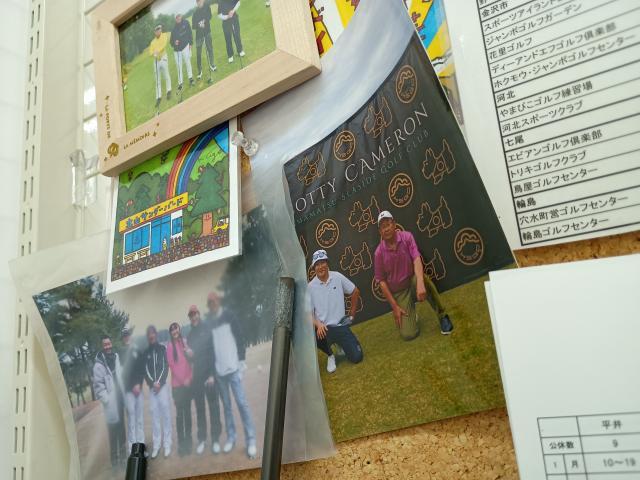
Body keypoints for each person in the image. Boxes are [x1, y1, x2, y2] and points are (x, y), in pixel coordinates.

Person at [374, 210, 454, 340]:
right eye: (383, 227)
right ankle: (411, 313)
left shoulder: (407, 237)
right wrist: (395, 306)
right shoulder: (378, 253)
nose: (386, 229)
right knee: (409, 335)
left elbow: (416, 259)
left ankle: (442, 315)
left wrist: (420, 283)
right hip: (400, 293)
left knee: (422, 279)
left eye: (388, 224)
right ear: (380, 231)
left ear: (394, 224)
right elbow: (381, 281)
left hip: (413, 281)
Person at [207, 292, 257, 459]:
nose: (212, 304)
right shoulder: (210, 322)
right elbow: (210, 349)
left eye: (214, 301)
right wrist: (212, 372)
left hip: (234, 368)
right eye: (210, 302)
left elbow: (240, 338)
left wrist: (241, 362)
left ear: (218, 301)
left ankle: (251, 440)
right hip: (219, 372)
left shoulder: (230, 316)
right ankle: (231, 437)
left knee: (242, 404)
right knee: (227, 407)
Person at [308, 250, 364, 373]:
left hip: (340, 326)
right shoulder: (310, 287)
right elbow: (308, 314)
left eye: (322, 263)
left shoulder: (337, 277)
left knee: (357, 357)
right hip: (324, 329)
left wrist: (352, 315)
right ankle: (330, 355)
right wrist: (318, 324)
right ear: (314, 268)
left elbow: (355, 291)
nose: (320, 267)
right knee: (314, 333)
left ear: (327, 263)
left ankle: (341, 345)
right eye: (317, 264)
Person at [186, 304, 224, 455]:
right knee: (200, 409)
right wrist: (189, 355)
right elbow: (192, 359)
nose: (193, 317)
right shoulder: (190, 336)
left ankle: (215, 440)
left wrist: (212, 375)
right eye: (191, 315)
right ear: (189, 318)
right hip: (197, 378)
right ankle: (202, 439)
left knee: (214, 408)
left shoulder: (207, 329)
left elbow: (213, 353)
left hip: (209, 377)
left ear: (199, 314)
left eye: (195, 314)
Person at [93, 335, 126, 469]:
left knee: (122, 430)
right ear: (102, 346)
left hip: (120, 401)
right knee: (113, 433)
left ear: (111, 344)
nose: (108, 346)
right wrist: (107, 400)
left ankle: (123, 458)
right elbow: (98, 387)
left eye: (109, 344)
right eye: (105, 344)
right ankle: (115, 461)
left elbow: (120, 376)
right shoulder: (98, 365)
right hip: (110, 405)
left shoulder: (116, 357)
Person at [143, 325, 172, 458]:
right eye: (149, 334)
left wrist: (159, 382)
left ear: (156, 334)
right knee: (154, 416)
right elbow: (146, 371)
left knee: (165, 414)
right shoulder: (146, 352)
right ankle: (156, 445)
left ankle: (167, 444)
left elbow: (165, 366)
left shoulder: (162, 349)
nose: (151, 336)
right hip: (152, 389)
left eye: (153, 333)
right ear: (147, 336)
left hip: (162, 386)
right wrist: (152, 383)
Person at [166, 322, 193, 456]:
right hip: (177, 387)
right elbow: (172, 366)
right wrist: (183, 380)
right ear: (170, 333)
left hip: (188, 385)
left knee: (187, 414)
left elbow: (191, 362)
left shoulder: (185, 343)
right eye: (172, 330)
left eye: (176, 329)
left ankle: (189, 442)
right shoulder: (170, 347)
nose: (175, 331)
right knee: (180, 415)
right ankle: (182, 445)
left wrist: (189, 378)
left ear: (179, 330)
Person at [118, 327, 145, 456]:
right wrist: (132, 386)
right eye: (124, 336)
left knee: (139, 419)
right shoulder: (121, 353)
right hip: (129, 391)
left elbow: (141, 369)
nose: (126, 337)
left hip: (138, 389)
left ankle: (141, 447)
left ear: (130, 336)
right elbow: (123, 374)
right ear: (123, 339)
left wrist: (138, 384)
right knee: (131, 420)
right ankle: (132, 450)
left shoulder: (137, 350)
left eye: (128, 335)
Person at [192, 0, 217, 80]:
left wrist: (204, 21)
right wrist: (199, 24)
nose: (199, 3)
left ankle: (212, 64)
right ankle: (200, 71)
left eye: (200, 1)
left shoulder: (207, 7)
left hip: (207, 32)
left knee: (210, 49)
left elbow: (210, 16)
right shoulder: (195, 13)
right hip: (199, 36)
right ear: (197, 3)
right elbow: (193, 26)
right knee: (198, 54)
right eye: (198, 2)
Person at [148, 25, 172, 108]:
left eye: (159, 30)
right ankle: (158, 97)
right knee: (157, 80)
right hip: (156, 61)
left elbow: (164, 44)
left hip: (163, 58)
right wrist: (153, 53)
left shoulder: (164, 35)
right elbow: (150, 52)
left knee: (166, 75)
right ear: (155, 32)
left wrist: (157, 51)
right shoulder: (152, 42)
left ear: (161, 30)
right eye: (156, 30)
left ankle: (169, 91)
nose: (158, 31)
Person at [170, 14, 194, 89]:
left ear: (181, 16)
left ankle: (191, 79)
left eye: (179, 16)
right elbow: (171, 42)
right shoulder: (173, 29)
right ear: (175, 19)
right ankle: (180, 83)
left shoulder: (186, 22)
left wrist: (191, 43)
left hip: (186, 46)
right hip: (177, 51)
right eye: (176, 17)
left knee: (188, 63)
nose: (178, 18)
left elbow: (190, 33)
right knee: (179, 66)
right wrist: (174, 42)